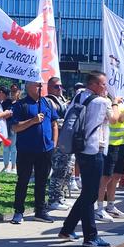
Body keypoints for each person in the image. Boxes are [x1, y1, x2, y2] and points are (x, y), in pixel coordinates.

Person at [59, 71, 113, 247]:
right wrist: (118, 103)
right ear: (94, 85)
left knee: (87, 193)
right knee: (90, 195)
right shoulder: (101, 102)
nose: (106, 87)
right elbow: (115, 119)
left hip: (80, 148)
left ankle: (67, 228)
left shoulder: (78, 97)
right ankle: (90, 236)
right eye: (104, 84)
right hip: (94, 150)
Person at [9, 81, 58, 224]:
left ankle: (40, 211)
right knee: (23, 181)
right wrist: (33, 121)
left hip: (45, 150)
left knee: (42, 181)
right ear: (29, 87)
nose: (40, 87)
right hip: (26, 150)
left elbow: (54, 123)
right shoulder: (20, 105)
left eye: (41, 85)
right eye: (37, 85)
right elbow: (15, 128)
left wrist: (53, 143)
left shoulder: (47, 103)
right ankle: (18, 212)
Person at [95, 96, 124, 222]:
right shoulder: (109, 103)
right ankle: (99, 208)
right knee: (106, 177)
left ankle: (110, 206)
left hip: (123, 142)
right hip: (110, 144)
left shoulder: (123, 104)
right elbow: (119, 119)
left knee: (116, 176)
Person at [46, 77, 74, 211]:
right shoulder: (48, 101)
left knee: (66, 171)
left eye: (60, 86)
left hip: (67, 140)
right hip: (58, 141)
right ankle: (53, 199)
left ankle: (59, 196)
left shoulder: (62, 100)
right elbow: (53, 122)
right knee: (58, 171)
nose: (59, 89)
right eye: (56, 86)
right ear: (49, 87)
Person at [1, 84, 20, 173]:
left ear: (18, 92)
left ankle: (13, 166)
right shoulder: (5, 103)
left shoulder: (20, 103)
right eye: (12, 91)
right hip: (5, 125)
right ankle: (6, 166)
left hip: (15, 126)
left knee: (13, 147)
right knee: (5, 147)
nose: (13, 93)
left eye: (15, 91)